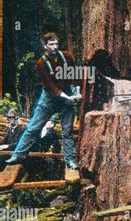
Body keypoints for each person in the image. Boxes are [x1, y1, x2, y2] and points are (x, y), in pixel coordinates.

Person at [5, 33, 81, 170]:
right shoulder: (41, 63)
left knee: (67, 131)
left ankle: (70, 160)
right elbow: (50, 85)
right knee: (32, 128)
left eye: (56, 44)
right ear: (45, 46)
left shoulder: (67, 56)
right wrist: (66, 96)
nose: (54, 47)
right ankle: (18, 155)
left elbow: (74, 74)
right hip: (49, 99)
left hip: (66, 99)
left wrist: (77, 92)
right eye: (51, 44)